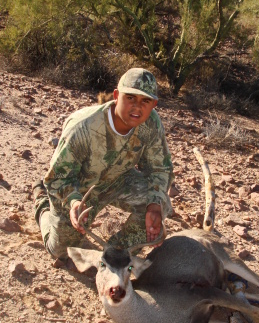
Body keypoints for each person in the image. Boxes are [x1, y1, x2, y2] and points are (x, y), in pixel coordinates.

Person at [32, 68, 174, 260]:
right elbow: (59, 177)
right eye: (130, 98)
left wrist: (155, 204)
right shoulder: (84, 126)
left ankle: (115, 255)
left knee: (159, 204)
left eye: (145, 101)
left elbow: (159, 168)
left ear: (154, 104)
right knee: (62, 252)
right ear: (116, 95)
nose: (137, 107)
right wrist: (73, 202)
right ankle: (42, 203)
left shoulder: (151, 124)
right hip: (79, 190)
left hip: (119, 179)